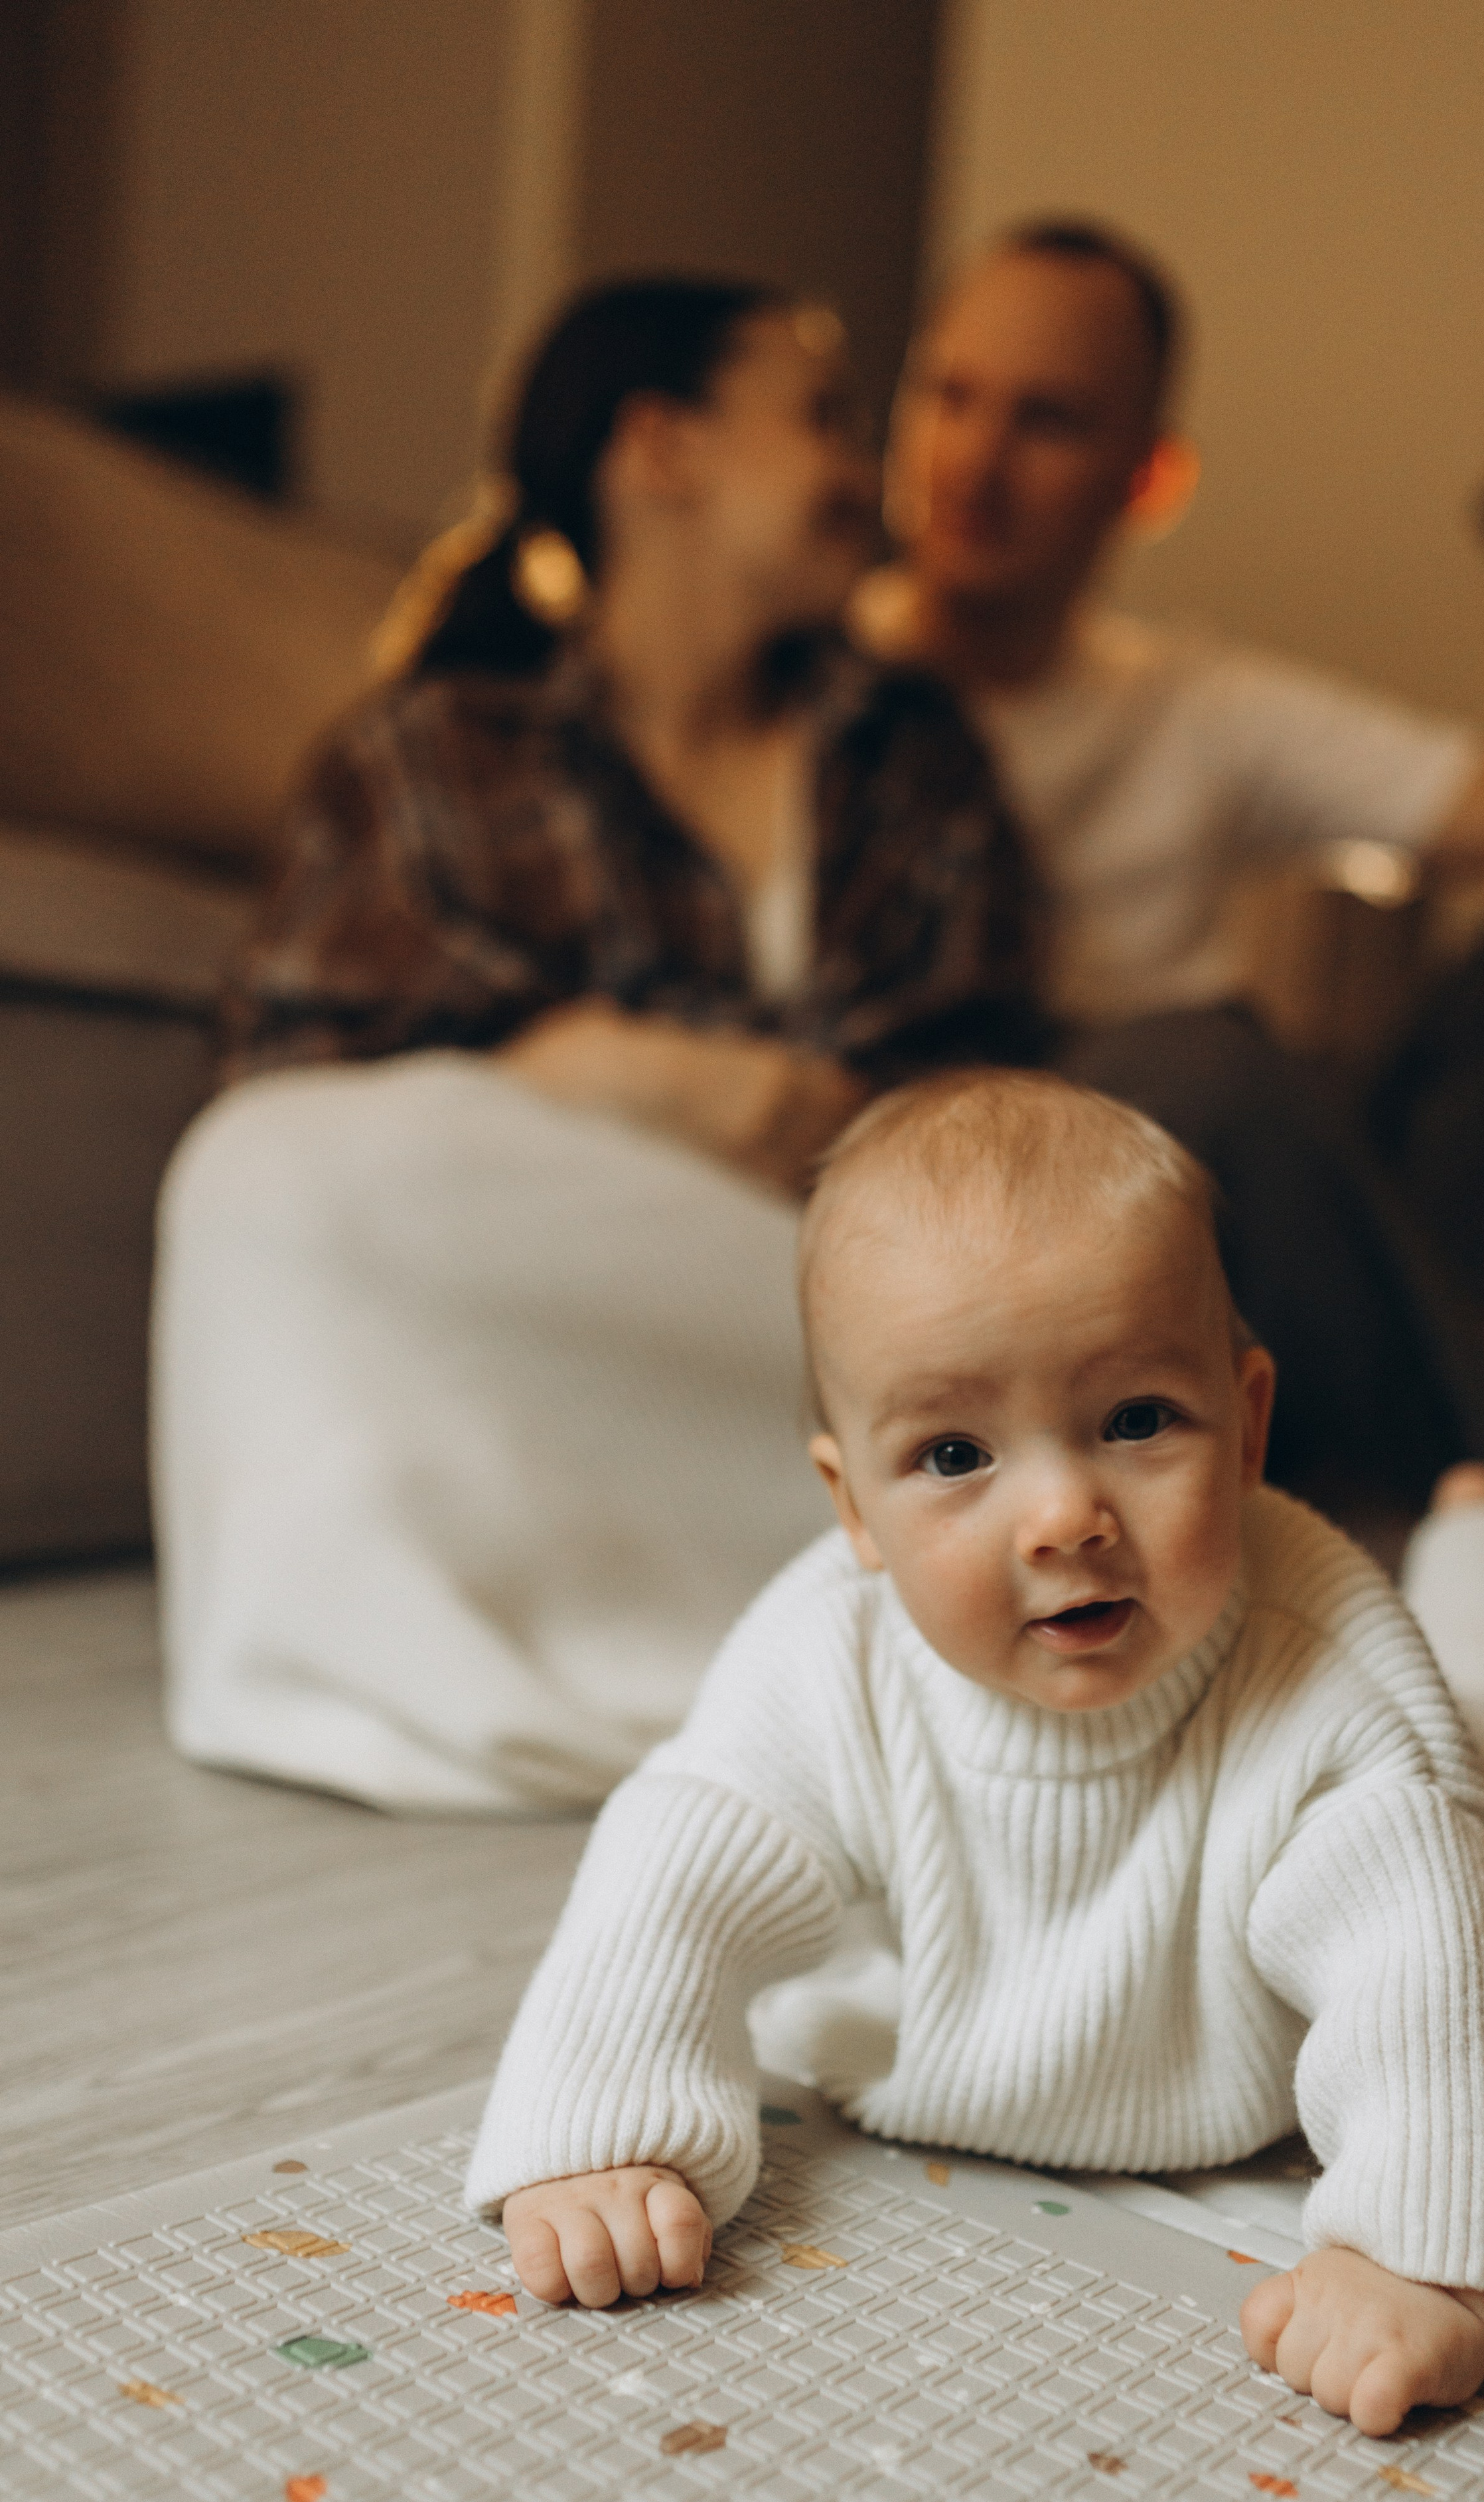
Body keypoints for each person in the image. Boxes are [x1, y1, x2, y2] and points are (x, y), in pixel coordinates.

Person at [469, 1072, 1484, 2437]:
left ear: (1246, 1427)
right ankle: (1475, 1521)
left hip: (1459, 1802)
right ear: (853, 1506)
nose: (1063, 1515)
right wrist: (602, 2132)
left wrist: (1418, 2255)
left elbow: (1421, 1961)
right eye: (955, 1452)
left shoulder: (1334, 1703)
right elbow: (677, 1864)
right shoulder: (823, 1667)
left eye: (1134, 1421)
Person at [152, 277, 1044, 1813]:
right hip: (541, 1270)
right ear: (664, 447)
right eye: (824, 418)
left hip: (832, 1288)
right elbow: (286, 1067)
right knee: (255, 1174)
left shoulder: (910, 754)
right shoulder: (437, 753)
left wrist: (802, 1119)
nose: (866, 476)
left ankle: (846, 1618)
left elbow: (997, 1103)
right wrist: (597, 1068)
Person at [855, 218, 1484, 1637]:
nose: (974, 464)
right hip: (1089, 1190)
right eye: (947, 396)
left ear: (1149, 477)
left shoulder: (1187, 703)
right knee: (1207, 1071)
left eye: (1046, 421)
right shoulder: (821, 694)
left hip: (1270, 1191)